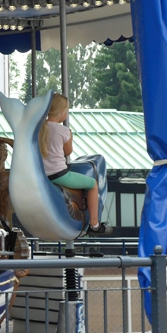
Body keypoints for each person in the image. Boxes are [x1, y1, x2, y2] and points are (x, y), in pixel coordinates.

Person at [40, 93, 111, 235]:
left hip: (42, 174)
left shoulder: (39, 129)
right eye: (66, 110)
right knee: (92, 184)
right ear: (61, 112)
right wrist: (69, 137)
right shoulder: (63, 131)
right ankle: (94, 224)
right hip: (59, 174)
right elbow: (68, 151)